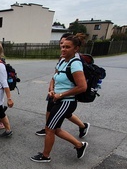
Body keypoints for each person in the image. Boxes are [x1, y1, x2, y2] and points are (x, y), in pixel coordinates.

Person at [30, 34, 89, 162]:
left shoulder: (75, 64)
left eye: (67, 47)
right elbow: (55, 77)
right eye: (62, 46)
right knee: (54, 128)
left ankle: (45, 156)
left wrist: (61, 95)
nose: (63, 49)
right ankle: (79, 145)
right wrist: (51, 90)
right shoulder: (63, 60)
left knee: (50, 129)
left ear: (76, 49)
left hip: (66, 102)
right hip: (56, 98)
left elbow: (82, 87)